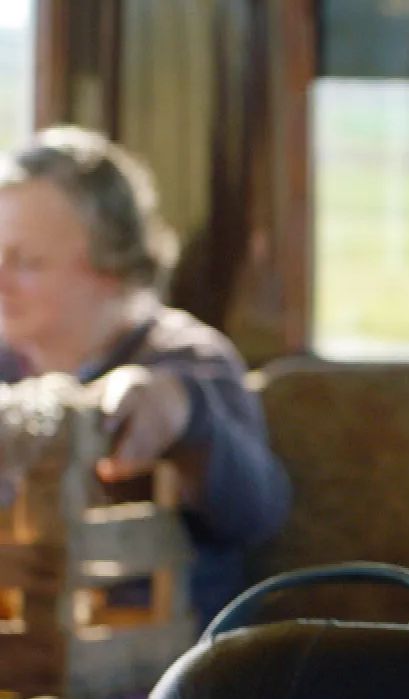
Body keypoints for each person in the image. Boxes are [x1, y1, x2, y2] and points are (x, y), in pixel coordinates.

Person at [0, 127, 291, 624]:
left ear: (112, 265)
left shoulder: (187, 360)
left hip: (153, 667)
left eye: (26, 262)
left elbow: (256, 514)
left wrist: (187, 419)